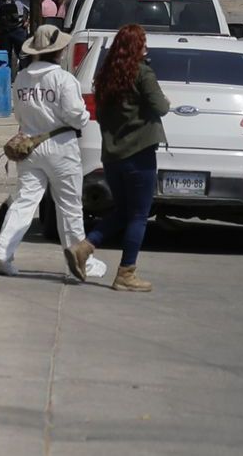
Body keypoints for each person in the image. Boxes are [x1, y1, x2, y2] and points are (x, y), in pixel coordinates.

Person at [0, 25, 108, 279]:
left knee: (25, 202)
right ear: (59, 50)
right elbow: (76, 116)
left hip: (29, 145)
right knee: (69, 205)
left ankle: (1, 254)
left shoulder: (22, 78)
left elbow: (18, 113)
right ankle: (81, 258)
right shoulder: (64, 79)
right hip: (61, 146)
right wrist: (83, 116)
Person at [65, 24, 168, 292]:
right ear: (136, 47)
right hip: (140, 155)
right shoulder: (142, 73)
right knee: (138, 215)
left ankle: (84, 248)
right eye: (143, 43)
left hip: (112, 157)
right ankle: (126, 272)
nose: (146, 48)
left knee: (123, 212)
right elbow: (161, 106)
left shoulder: (106, 77)